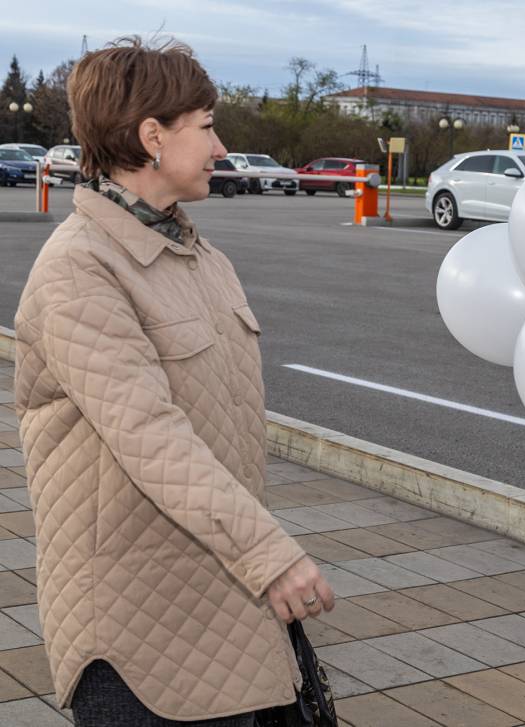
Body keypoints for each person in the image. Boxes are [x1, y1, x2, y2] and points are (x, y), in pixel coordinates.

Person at [13, 38, 335, 726]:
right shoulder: (80, 269)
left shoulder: (197, 254)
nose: (221, 148)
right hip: (140, 635)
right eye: (208, 126)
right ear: (151, 137)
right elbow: (150, 435)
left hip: (229, 611)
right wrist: (270, 554)